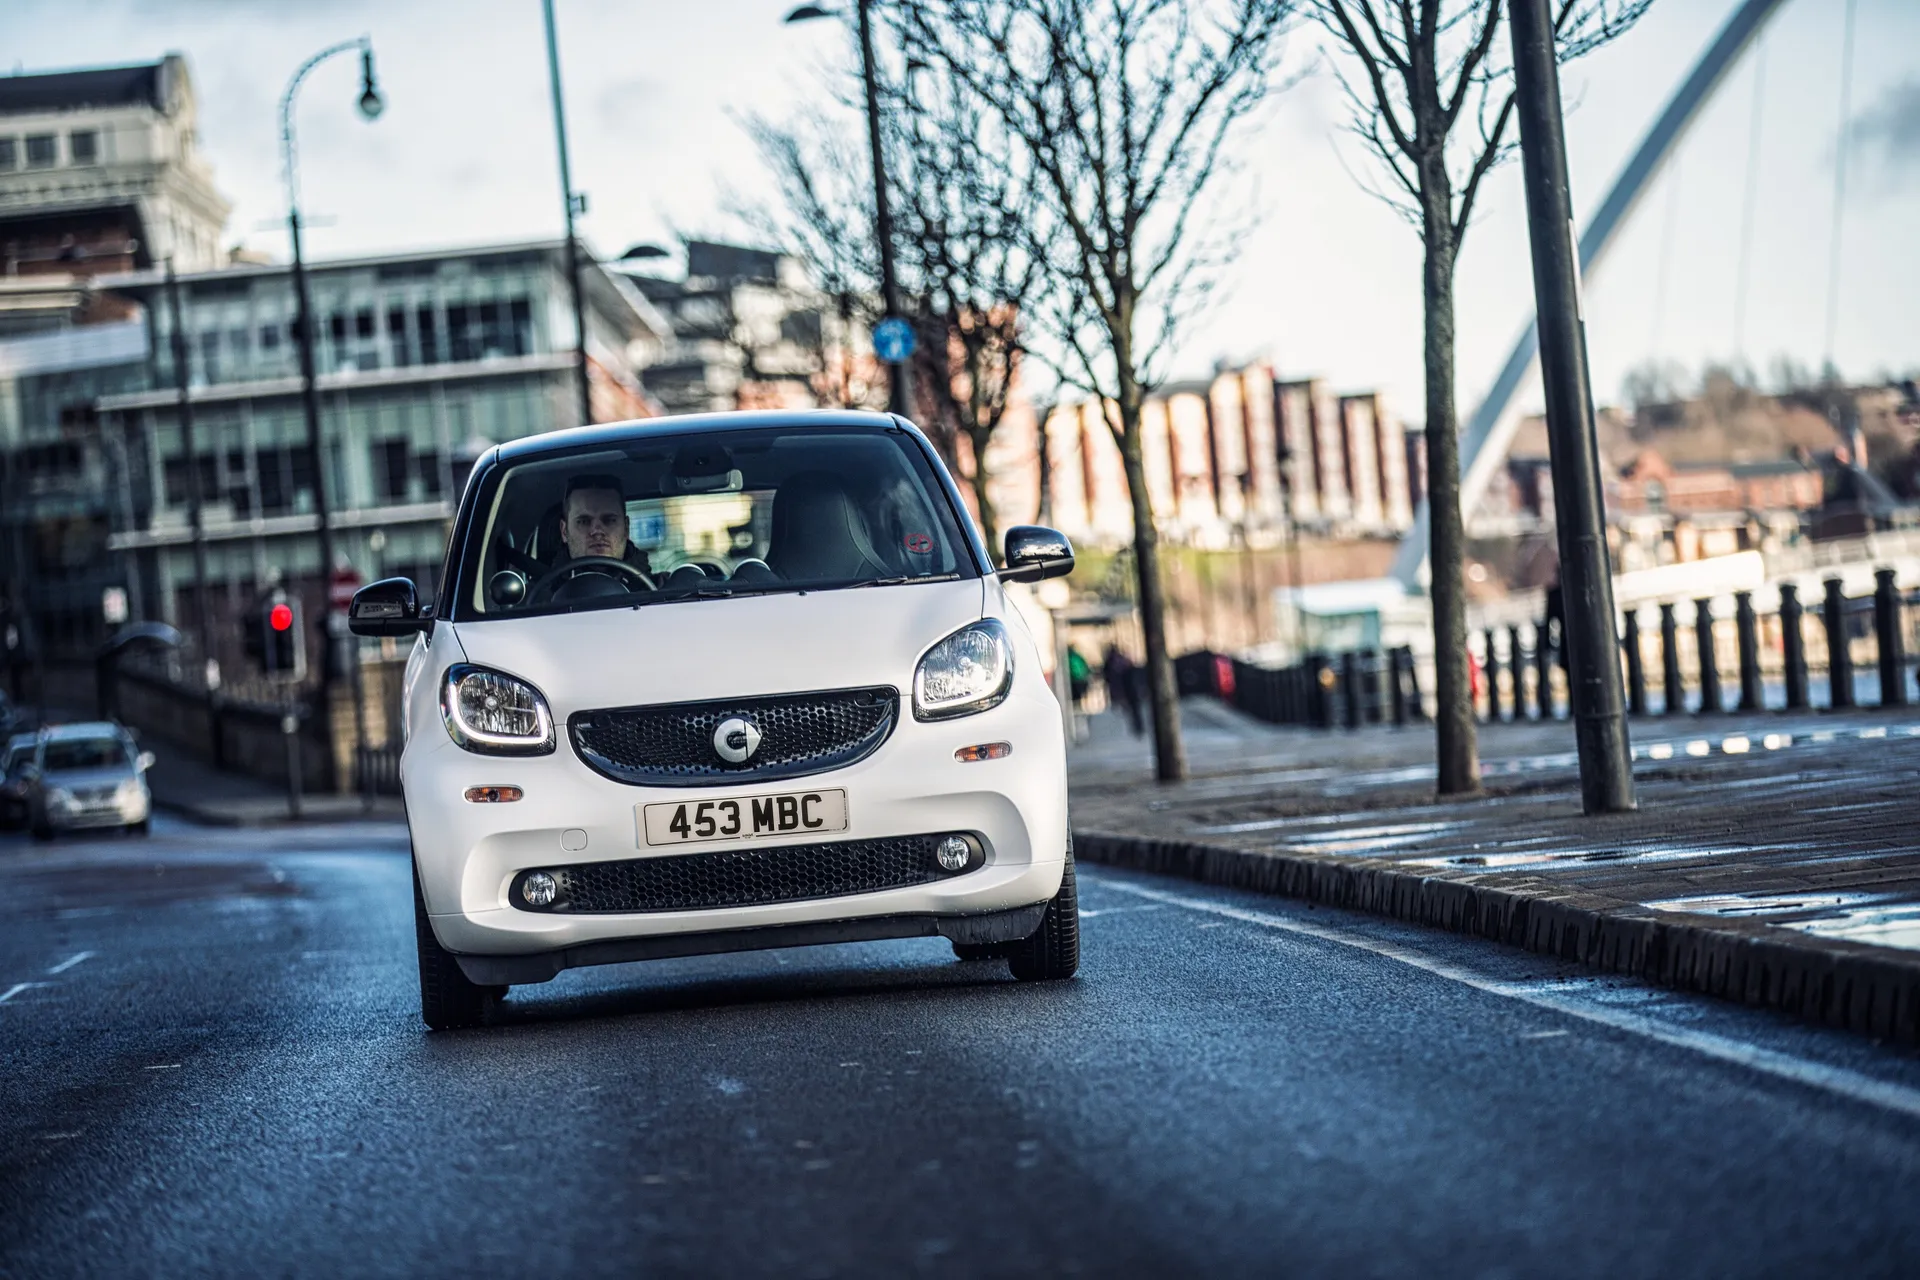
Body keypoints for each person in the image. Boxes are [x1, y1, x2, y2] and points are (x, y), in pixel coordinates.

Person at [1103, 645, 1144, 736]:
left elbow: (1110, 679)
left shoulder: (1112, 664)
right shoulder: (1124, 663)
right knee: (1134, 711)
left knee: (1130, 711)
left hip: (1124, 691)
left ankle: (1136, 728)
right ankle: (1138, 728)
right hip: (1131, 691)